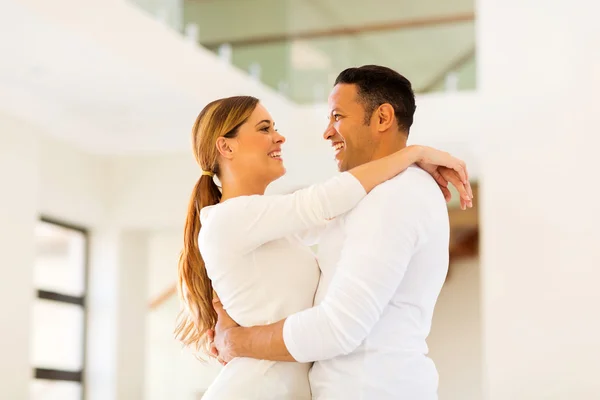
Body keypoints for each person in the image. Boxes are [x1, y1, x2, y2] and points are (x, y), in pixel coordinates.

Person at [175, 92, 472, 399]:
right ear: (226, 146)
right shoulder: (230, 219)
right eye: (264, 129)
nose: (279, 137)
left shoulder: (267, 228)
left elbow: (339, 211)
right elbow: (326, 200)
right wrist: (413, 153)